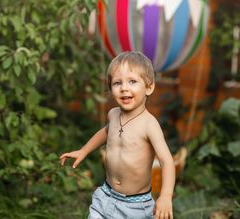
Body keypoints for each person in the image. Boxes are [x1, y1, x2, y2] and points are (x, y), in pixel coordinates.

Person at [60, 51, 175, 219]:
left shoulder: (149, 124)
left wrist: (165, 196)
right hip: (106, 196)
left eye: (133, 81)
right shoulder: (113, 114)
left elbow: (167, 161)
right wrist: (83, 151)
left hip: (136, 206)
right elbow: (106, 132)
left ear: (149, 87)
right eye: (117, 83)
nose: (124, 88)